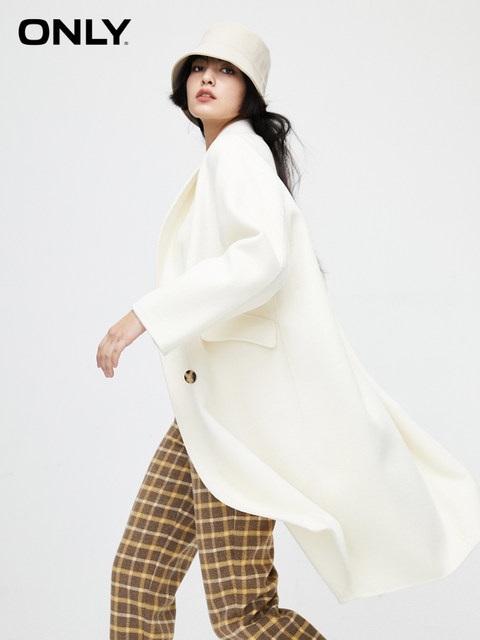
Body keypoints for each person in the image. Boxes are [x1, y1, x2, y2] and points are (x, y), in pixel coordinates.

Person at [97, 22, 480, 639]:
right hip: (204, 417)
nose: (207, 78)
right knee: (139, 576)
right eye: (198, 68)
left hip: (239, 423)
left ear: (249, 90)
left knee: (242, 614)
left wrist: (144, 315)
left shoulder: (239, 153)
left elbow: (263, 257)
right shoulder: (224, 160)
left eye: (226, 70)